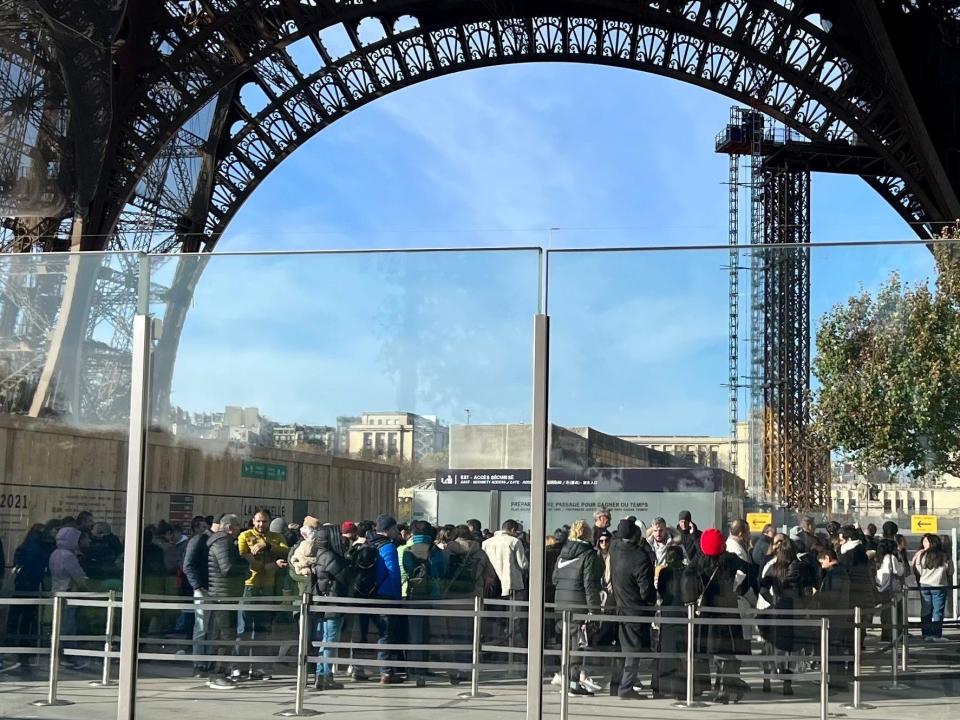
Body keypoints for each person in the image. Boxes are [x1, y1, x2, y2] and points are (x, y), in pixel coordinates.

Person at [683, 527, 750, 704]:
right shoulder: (730, 560)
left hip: (707, 612)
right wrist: (740, 589)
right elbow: (751, 571)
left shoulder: (699, 561)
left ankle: (719, 686)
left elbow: (687, 577)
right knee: (727, 651)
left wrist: (691, 599)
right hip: (728, 611)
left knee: (711, 652)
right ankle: (726, 687)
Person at [237, 510, 289, 679]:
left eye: (265, 521)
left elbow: (287, 552)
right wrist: (269, 565)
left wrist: (268, 547)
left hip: (270, 587)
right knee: (244, 628)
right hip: (250, 586)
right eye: (258, 521)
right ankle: (240, 666)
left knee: (264, 629)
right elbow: (244, 556)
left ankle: (261, 667)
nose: (261, 525)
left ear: (269, 522)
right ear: (253, 521)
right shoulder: (245, 535)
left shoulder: (276, 537)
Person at [553, 519, 602, 696]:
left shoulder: (563, 553)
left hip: (560, 603)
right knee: (576, 645)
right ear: (587, 534)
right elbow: (590, 584)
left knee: (565, 643)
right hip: (578, 603)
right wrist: (595, 609)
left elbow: (554, 578)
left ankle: (566, 678)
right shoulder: (588, 554)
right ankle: (573, 684)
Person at [609, 518, 655, 700]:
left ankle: (616, 684)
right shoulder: (639, 557)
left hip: (618, 606)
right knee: (633, 650)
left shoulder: (615, 548)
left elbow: (615, 537)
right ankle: (626, 687)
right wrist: (651, 601)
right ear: (637, 535)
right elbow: (646, 591)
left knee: (621, 648)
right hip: (635, 609)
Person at [399, 520, 445, 687]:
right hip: (432, 595)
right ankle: (423, 667)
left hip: (414, 594)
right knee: (426, 631)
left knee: (414, 632)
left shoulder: (408, 551)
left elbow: (407, 570)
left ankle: (414, 669)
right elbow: (441, 571)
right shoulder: (436, 552)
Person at [205, 514, 249, 689]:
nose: (239, 530)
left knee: (221, 635)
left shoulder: (219, 542)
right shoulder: (224, 543)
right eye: (238, 526)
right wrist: (245, 565)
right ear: (230, 527)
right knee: (225, 635)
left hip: (223, 593)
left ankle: (216, 672)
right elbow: (227, 568)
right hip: (223, 594)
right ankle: (218, 673)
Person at [757, 536, 805, 695]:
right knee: (790, 648)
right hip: (793, 612)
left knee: (770, 645)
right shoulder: (798, 567)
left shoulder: (773, 567)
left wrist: (772, 601)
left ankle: (767, 678)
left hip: (776, 610)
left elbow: (762, 588)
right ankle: (787, 682)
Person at [5, 524, 49, 676]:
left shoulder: (24, 547)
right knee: (28, 620)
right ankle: (24, 650)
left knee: (16, 616)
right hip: (33, 586)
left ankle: (11, 646)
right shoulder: (41, 547)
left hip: (21, 585)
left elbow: (18, 565)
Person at [312, 525, 351, 690]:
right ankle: (327, 676)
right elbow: (345, 577)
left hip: (325, 603)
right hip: (333, 604)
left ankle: (320, 675)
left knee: (325, 640)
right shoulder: (330, 557)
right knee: (330, 641)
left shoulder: (320, 554)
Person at [653, 544, 692, 700]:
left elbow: (661, 591)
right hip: (683, 612)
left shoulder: (664, 572)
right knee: (682, 651)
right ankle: (681, 688)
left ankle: (662, 685)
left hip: (668, 611)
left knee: (666, 650)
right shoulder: (687, 572)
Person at [49, 526, 89, 670]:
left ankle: (60, 657)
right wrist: (85, 586)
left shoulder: (55, 553)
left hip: (56, 593)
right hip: (68, 594)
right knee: (68, 628)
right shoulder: (68, 556)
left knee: (60, 626)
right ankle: (70, 657)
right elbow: (78, 576)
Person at [370, 514, 403, 683]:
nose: (397, 531)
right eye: (395, 528)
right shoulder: (388, 547)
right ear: (388, 529)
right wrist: (398, 599)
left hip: (370, 593)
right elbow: (393, 574)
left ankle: (356, 667)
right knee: (387, 634)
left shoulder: (369, 543)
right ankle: (386, 672)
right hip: (386, 595)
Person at [816, 546, 852, 691]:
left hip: (834, 614)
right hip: (838, 613)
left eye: (821, 562)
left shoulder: (835, 574)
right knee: (835, 647)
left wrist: (817, 596)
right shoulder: (840, 571)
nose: (821, 566)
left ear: (828, 558)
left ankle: (835, 679)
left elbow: (833, 596)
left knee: (833, 647)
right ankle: (835, 678)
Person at [182, 515, 213, 677]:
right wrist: (198, 586)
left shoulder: (210, 540)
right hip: (203, 589)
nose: (204, 529)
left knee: (209, 627)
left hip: (212, 589)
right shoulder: (197, 541)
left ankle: (206, 661)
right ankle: (199, 663)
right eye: (201, 526)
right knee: (201, 627)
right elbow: (188, 565)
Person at [912, 533, 951, 642]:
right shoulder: (944, 555)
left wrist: (924, 577)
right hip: (939, 585)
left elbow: (918, 568)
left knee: (925, 610)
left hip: (924, 584)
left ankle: (926, 634)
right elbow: (950, 571)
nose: (924, 544)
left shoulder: (922, 554)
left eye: (926, 541)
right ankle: (936, 635)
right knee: (938, 611)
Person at [482, 519, 528, 601]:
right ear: (513, 530)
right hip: (510, 582)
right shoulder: (515, 541)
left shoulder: (486, 543)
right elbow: (523, 564)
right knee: (512, 609)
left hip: (491, 581)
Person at [875, 537, 905, 642]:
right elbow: (898, 571)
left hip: (881, 587)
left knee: (885, 613)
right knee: (894, 612)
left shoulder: (878, 557)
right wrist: (900, 563)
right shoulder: (891, 557)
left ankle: (885, 633)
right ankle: (894, 634)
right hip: (891, 589)